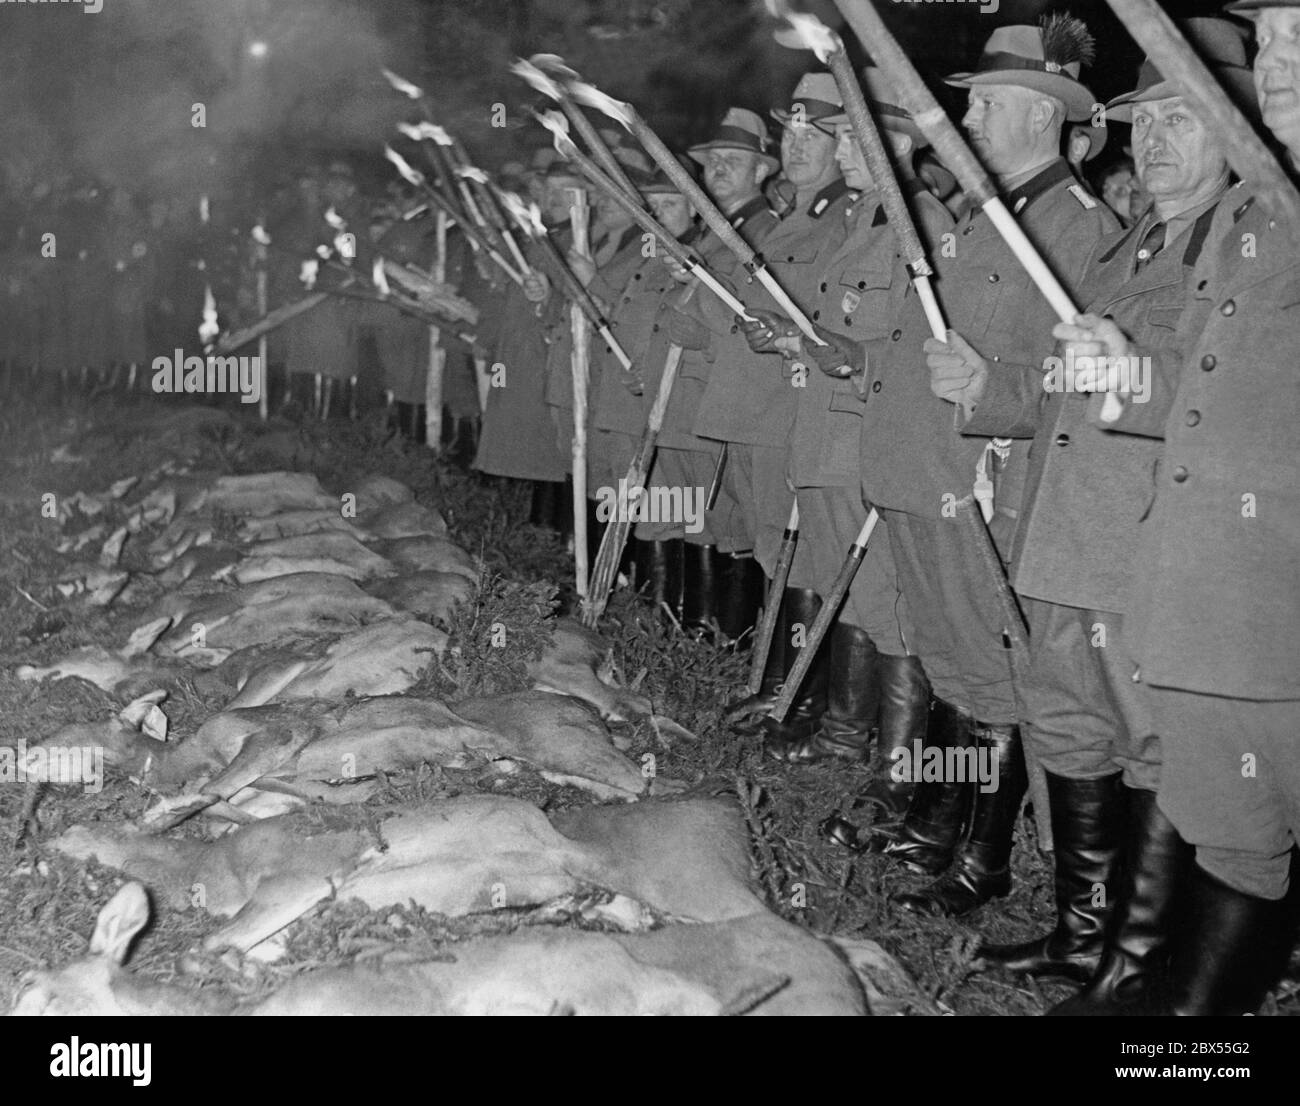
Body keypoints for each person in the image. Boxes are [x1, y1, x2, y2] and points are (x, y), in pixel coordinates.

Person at [940, 19, 1246, 1011]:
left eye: (1182, 121)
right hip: (1064, 537)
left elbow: (1225, 400)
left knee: (1150, 747)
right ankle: (1082, 936)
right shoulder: (1126, 249)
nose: (1153, 142)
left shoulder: (1245, 253)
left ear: (1236, 134)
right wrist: (991, 388)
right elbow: (1065, 387)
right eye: (1144, 121)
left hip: (1147, 552)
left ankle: (1140, 961)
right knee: (1070, 734)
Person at [1054, 0, 1300, 1015]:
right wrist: (1128, 378)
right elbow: (1227, 393)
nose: (1278, 58)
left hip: (1274, 585)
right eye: (1275, 37)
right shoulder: (1261, 215)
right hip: (1220, 584)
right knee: (1236, 824)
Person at [857, 16, 1119, 917]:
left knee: (995, 672)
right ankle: (940, 816)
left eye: (989, 106)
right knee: (951, 663)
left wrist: (997, 390)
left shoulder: (1078, 230)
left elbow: (1081, 376)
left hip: (988, 485)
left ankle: (987, 853)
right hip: (930, 471)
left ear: (1046, 114)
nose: (968, 123)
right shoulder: (989, 216)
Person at [736, 71, 951, 816]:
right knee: (847, 586)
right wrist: (796, 340)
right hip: (827, 431)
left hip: (869, 437)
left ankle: (899, 771)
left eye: (857, 136)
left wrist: (848, 357)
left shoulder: (920, 224)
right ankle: (842, 732)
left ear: (896, 142)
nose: (845, 148)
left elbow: (917, 344)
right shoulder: (867, 219)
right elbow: (847, 330)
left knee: (888, 600)